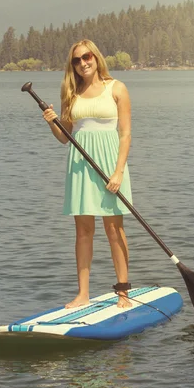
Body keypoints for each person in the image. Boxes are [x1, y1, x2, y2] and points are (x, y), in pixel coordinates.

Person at [42, 39, 133, 309]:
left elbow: (126, 134)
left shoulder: (117, 88)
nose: (83, 63)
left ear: (96, 57)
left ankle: (123, 292)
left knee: (114, 229)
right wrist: (52, 123)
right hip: (81, 166)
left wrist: (118, 172)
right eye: (77, 60)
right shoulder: (71, 93)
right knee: (83, 231)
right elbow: (65, 137)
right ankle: (83, 294)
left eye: (87, 57)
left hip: (109, 166)